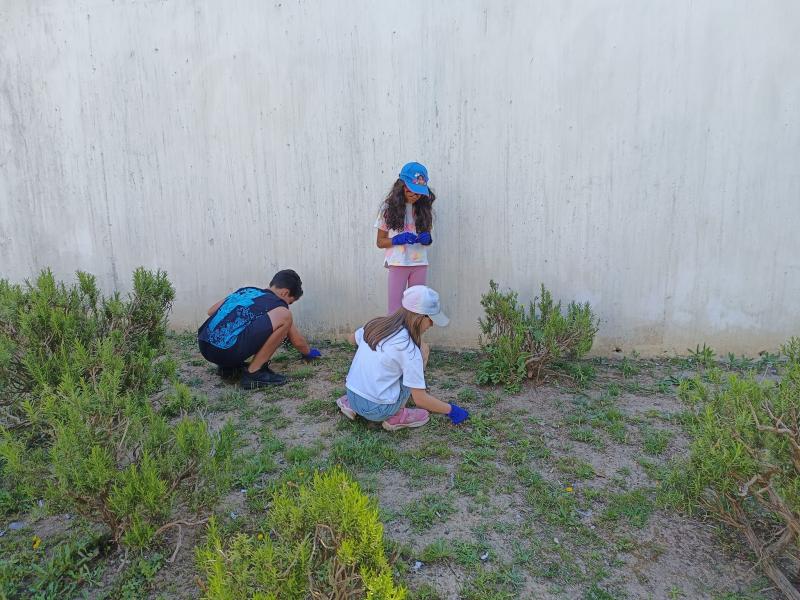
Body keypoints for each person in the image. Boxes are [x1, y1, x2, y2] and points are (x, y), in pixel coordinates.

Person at [336, 285, 469, 431]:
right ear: (419, 316)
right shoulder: (409, 349)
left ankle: (351, 404)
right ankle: (397, 415)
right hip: (378, 410)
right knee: (422, 352)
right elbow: (420, 399)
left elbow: (351, 339)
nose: (432, 324)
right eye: (431, 319)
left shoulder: (376, 325)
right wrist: (451, 410)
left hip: (352, 395)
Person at [197, 269, 321, 388]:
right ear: (285, 293)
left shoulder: (246, 291)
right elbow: (298, 342)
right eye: (290, 302)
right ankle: (254, 373)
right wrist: (309, 353)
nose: (288, 305)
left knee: (239, 327)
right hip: (226, 352)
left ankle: (228, 367)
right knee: (285, 316)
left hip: (204, 345)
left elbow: (211, 311)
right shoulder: (278, 305)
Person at [375, 162, 436, 313]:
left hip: (419, 263)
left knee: (417, 309)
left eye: (418, 193)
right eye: (411, 191)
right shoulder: (387, 210)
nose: (415, 196)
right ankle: (396, 337)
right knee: (395, 309)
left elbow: (427, 238)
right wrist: (396, 240)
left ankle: (414, 337)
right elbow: (380, 242)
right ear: (401, 186)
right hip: (398, 262)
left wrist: (427, 239)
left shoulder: (423, 208)